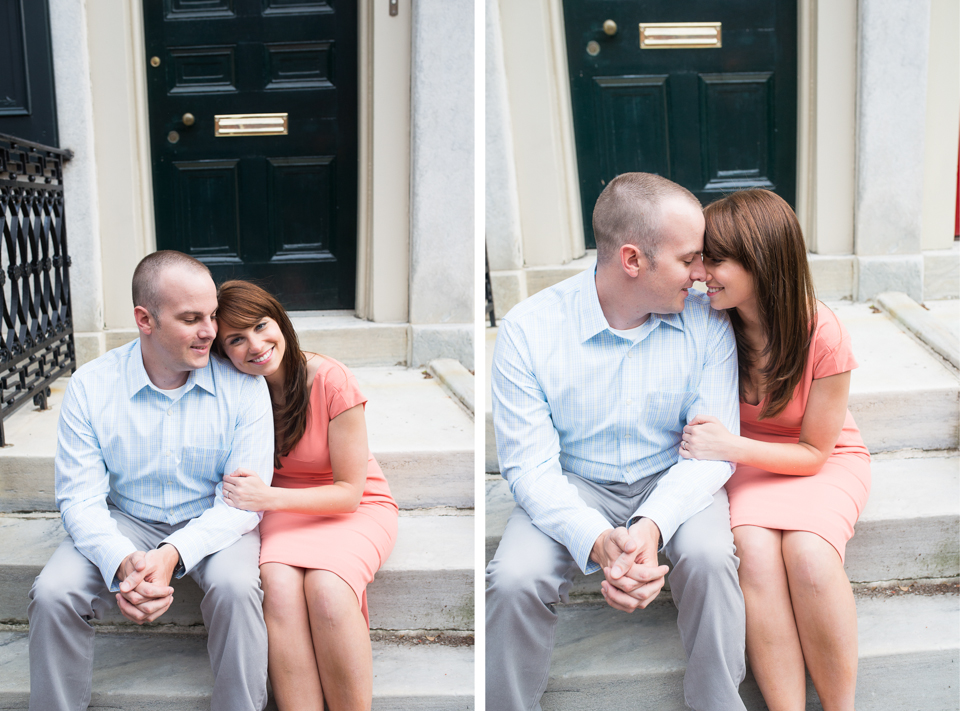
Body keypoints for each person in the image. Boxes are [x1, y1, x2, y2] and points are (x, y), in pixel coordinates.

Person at [487, 172, 747, 711]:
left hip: (675, 473)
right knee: (513, 578)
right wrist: (599, 541)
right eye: (689, 258)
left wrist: (650, 526)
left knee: (709, 555)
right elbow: (530, 468)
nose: (703, 275)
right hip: (573, 482)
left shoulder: (708, 321)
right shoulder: (528, 330)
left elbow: (713, 451)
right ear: (633, 260)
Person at [29, 251, 274, 711]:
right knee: (53, 591)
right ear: (145, 319)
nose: (210, 332)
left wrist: (173, 554)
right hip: (127, 519)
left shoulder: (243, 386)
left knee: (238, 588)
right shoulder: (91, 386)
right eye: (190, 318)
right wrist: (123, 562)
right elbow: (79, 499)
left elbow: (243, 504)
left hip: (215, 519)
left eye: (212, 316)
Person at [680, 189, 870, 711]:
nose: (698, 272)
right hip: (744, 459)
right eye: (698, 257)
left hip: (821, 460)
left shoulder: (823, 332)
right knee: (756, 555)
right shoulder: (709, 319)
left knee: (809, 555)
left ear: (760, 260)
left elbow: (814, 451)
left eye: (713, 259)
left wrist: (731, 444)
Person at [212, 280, 398, 711]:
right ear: (222, 352)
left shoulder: (330, 379)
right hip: (279, 507)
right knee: (276, 585)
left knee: (329, 590)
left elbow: (350, 493)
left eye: (261, 326)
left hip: (351, 506)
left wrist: (267, 498)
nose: (256, 345)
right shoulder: (236, 391)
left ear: (279, 319)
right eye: (236, 339)